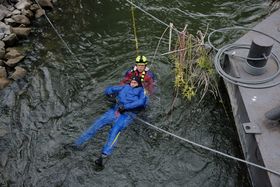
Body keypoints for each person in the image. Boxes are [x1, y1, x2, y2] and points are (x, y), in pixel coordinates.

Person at [74, 76, 147, 167]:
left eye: (135, 83)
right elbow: (110, 89)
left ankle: (104, 155)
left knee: (114, 131)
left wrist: (126, 107)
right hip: (115, 111)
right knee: (96, 125)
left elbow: (141, 102)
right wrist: (110, 95)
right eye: (132, 82)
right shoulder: (125, 87)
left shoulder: (141, 92)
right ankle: (77, 144)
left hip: (126, 115)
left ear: (139, 84)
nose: (132, 84)